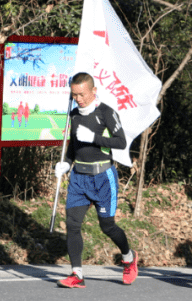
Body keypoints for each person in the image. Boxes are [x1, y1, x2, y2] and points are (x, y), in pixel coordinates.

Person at [54, 73, 136, 288]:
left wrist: (93, 138)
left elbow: (120, 142)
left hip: (102, 177)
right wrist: (65, 162)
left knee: (107, 227)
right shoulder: (73, 114)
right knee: (72, 224)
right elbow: (72, 145)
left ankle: (128, 258)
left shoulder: (106, 113)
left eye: (82, 94)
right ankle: (77, 275)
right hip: (79, 177)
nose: (78, 99)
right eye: (74, 95)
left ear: (93, 91)